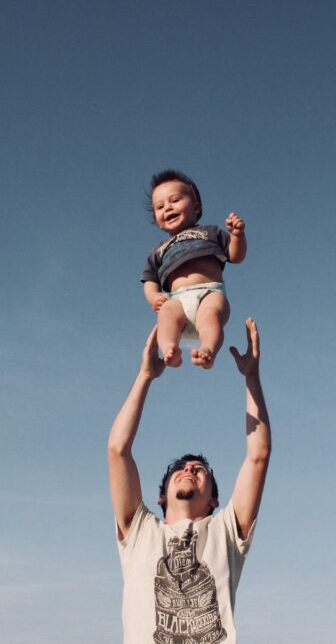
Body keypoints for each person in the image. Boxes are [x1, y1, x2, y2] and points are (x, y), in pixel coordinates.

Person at [108, 318, 271, 643]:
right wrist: (145, 376)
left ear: (213, 500)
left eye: (200, 470)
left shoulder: (225, 531)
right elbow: (118, 450)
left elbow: (258, 456)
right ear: (161, 497)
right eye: (180, 469)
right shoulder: (140, 532)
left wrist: (251, 377)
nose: (189, 469)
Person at [141, 169, 247, 369]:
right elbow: (149, 280)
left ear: (196, 206)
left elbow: (235, 256)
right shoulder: (158, 251)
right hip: (177, 299)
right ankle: (170, 349)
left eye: (175, 200)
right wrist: (154, 297)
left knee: (210, 317)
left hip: (210, 291)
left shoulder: (210, 232)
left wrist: (237, 236)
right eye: (160, 206)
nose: (168, 208)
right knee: (166, 314)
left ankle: (207, 349)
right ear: (156, 219)